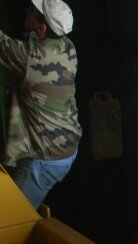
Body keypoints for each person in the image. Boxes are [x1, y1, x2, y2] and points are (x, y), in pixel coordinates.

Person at [0, 0, 81, 208]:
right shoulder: (68, 47)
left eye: (34, 11)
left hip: (45, 160)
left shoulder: (29, 58)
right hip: (68, 149)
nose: (27, 8)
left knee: (12, 218)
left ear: (42, 28)